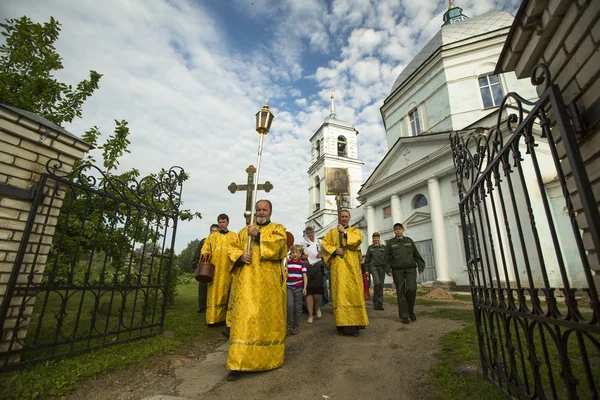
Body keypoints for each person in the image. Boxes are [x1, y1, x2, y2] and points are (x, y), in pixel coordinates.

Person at [225, 200, 288, 381]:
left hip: (269, 289)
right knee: (244, 322)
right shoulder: (243, 232)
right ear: (255, 211)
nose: (261, 212)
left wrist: (258, 236)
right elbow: (232, 248)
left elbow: (281, 247)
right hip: (246, 286)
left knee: (267, 323)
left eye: (264, 209)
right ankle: (238, 364)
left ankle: (268, 359)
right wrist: (239, 256)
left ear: (270, 211)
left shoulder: (278, 228)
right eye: (258, 209)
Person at [322, 209, 368, 336]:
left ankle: (355, 326)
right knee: (340, 294)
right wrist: (335, 250)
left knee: (353, 294)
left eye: (346, 216)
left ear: (349, 218)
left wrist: (345, 232)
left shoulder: (354, 231)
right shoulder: (331, 233)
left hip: (352, 269)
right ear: (339, 217)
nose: (344, 218)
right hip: (338, 270)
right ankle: (341, 326)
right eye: (342, 216)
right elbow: (324, 245)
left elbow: (358, 240)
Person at [201, 214, 238, 326]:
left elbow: (238, 249)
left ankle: (227, 319)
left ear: (228, 222)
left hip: (229, 270)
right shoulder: (212, 237)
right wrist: (205, 254)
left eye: (224, 222)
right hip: (215, 270)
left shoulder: (234, 236)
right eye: (220, 222)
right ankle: (213, 319)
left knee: (229, 294)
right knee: (214, 294)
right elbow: (205, 248)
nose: (222, 224)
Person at [385, 223, 425, 325]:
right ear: (394, 231)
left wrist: (421, 266)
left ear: (403, 230)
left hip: (410, 269)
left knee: (412, 289)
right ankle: (404, 315)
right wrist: (387, 269)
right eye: (396, 229)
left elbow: (416, 254)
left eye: (400, 229)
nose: (398, 231)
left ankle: (410, 310)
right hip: (397, 270)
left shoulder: (409, 241)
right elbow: (385, 258)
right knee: (401, 291)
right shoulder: (390, 243)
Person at [194, 224, 219, 313]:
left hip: (215, 268)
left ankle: (212, 307)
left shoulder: (220, 242)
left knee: (213, 288)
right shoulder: (204, 241)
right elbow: (197, 254)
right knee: (203, 287)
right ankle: (202, 307)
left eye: (216, 231)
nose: (214, 233)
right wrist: (195, 267)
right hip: (204, 267)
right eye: (212, 231)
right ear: (210, 231)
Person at [302, 226, 324, 323]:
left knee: (318, 293)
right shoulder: (302, 244)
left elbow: (324, 253)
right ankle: (310, 315)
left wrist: (321, 255)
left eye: (311, 233)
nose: (310, 235)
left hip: (318, 267)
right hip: (307, 268)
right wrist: (303, 256)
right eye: (308, 233)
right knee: (309, 293)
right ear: (306, 234)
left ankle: (317, 306)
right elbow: (297, 255)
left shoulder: (319, 242)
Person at [286, 244, 307, 335]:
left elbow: (305, 276)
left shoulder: (302, 264)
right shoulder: (288, 263)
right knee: (290, 306)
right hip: (289, 287)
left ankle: (296, 326)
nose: (295, 254)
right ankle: (289, 326)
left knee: (297, 308)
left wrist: (305, 287)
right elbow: (285, 274)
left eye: (297, 252)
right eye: (293, 252)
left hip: (299, 287)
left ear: (300, 254)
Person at [365, 232, 386, 310]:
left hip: (381, 268)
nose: (376, 239)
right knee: (377, 283)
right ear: (372, 239)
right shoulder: (370, 248)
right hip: (373, 268)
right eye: (374, 238)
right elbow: (367, 259)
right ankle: (375, 302)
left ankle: (379, 304)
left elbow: (386, 259)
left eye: (377, 238)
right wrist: (367, 270)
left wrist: (388, 269)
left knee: (381, 285)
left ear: (379, 239)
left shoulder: (383, 247)